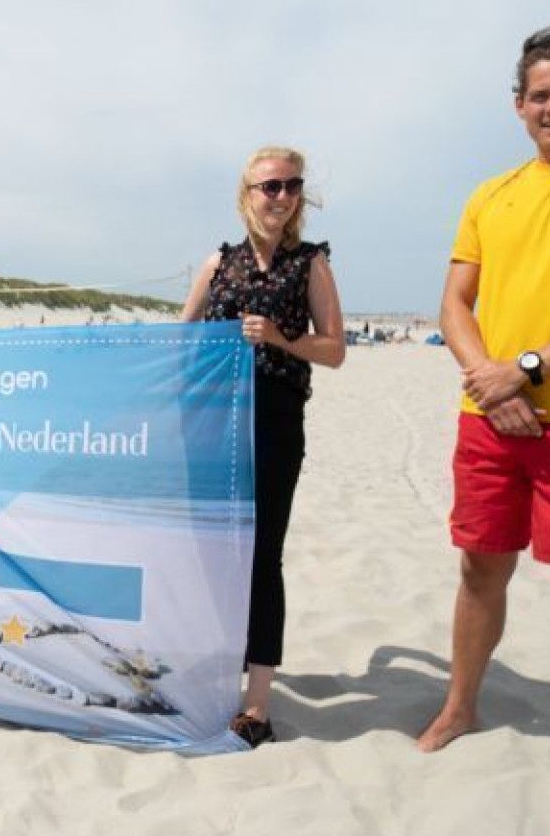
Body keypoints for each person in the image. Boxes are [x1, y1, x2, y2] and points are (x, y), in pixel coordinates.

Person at [418, 23, 550, 753]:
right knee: (481, 566)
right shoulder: (491, 195)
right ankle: (461, 705)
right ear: (519, 105)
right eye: (542, 95)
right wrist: (491, 383)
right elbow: (454, 305)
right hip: (489, 420)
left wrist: (528, 370)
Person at [180, 146, 345, 747]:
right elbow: (181, 340)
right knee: (210, 551)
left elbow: (335, 349)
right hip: (213, 423)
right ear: (247, 193)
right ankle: (214, 671)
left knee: (262, 557)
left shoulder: (311, 265)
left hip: (275, 423)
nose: (281, 196)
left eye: (291, 185)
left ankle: (257, 702)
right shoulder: (218, 262)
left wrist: (281, 338)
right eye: (269, 185)